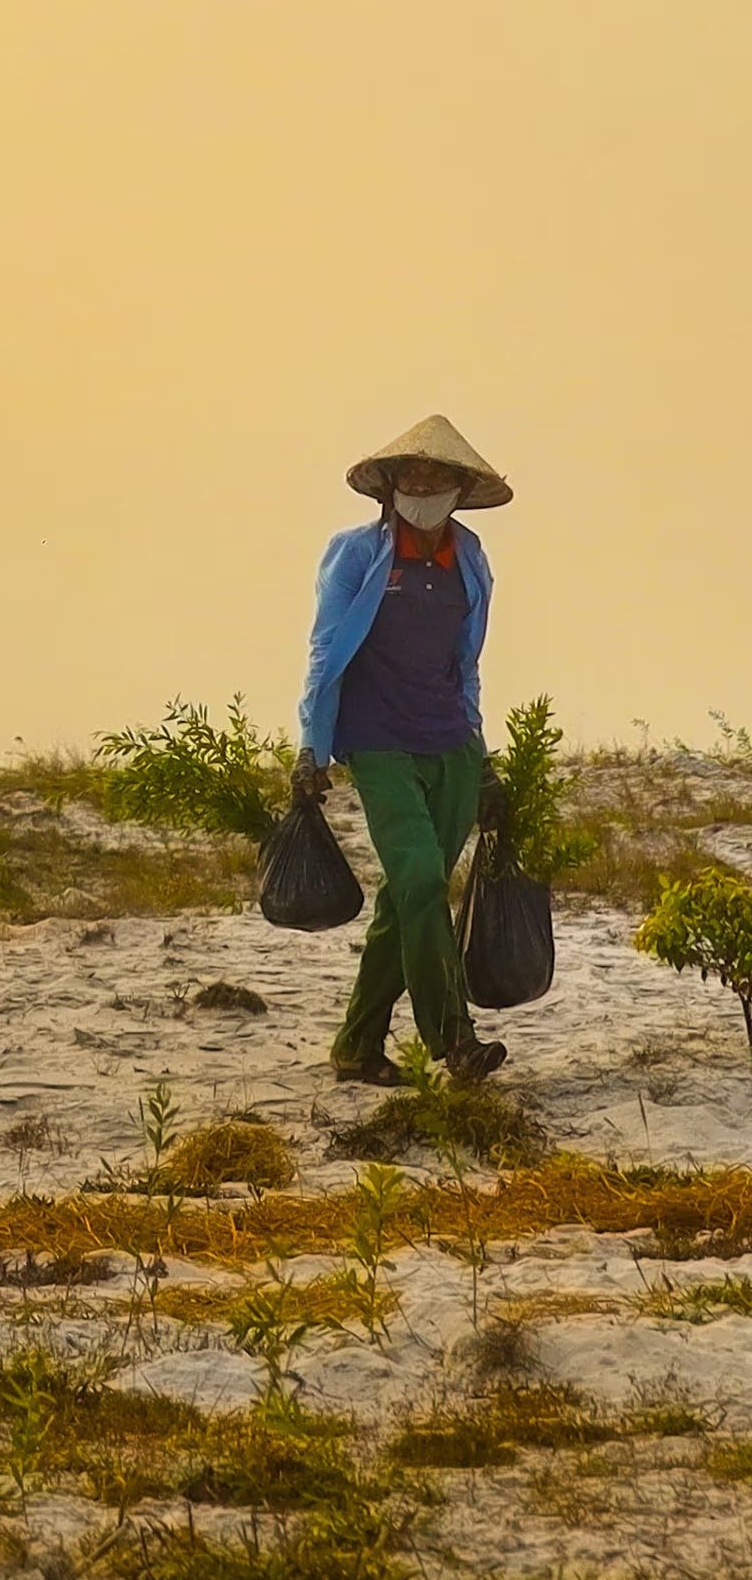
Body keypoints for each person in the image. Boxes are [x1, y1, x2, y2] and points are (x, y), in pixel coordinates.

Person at [296, 416, 511, 1087]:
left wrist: (482, 761)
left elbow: (465, 661)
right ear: (388, 489)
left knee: (405, 901)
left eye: (437, 478)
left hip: (450, 744)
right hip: (377, 743)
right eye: (411, 477)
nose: (423, 487)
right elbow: (325, 651)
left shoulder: (468, 558)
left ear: (457, 490)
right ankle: (454, 1037)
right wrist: (311, 748)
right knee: (419, 882)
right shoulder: (356, 555)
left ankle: (356, 1047)